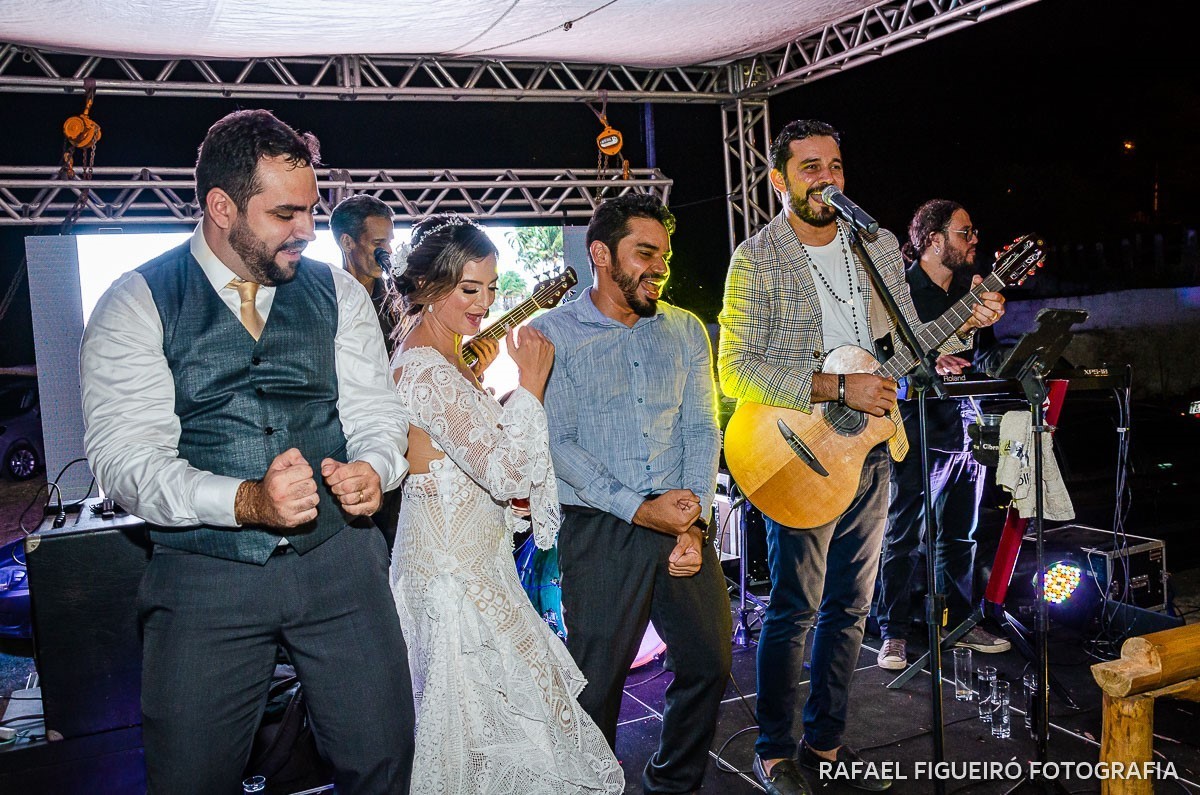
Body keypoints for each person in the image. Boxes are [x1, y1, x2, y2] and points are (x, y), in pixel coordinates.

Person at [80, 109, 415, 794]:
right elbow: (124, 460)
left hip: (340, 560)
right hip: (205, 576)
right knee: (189, 776)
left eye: (311, 210)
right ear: (222, 207)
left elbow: (378, 415)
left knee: (382, 759)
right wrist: (245, 500)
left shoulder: (338, 293)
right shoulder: (135, 302)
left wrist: (374, 469)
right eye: (285, 213)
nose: (308, 231)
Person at [718, 120, 1006, 795]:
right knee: (796, 608)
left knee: (851, 607)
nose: (827, 178)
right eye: (810, 165)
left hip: (871, 448)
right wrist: (834, 386)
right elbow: (734, 368)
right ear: (779, 180)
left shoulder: (874, 244)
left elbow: (907, 343)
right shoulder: (756, 258)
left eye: (837, 165)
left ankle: (825, 740)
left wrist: (963, 316)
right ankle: (774, 750)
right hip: (795, 450)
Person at [387, 213, 623, 795]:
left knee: (511, 742)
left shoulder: (445, 360)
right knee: (485, 743)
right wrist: (532, 383)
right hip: (454, 586)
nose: (486, 303)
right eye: (471, 289)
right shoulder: (423, 368)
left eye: (492, 288)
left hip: (474, 570)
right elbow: (507, 471)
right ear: (426, 288)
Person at [531, 193, 732, 795]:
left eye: (663, 257)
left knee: (709, 663)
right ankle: (593, 785)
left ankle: (673, 781)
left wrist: (691, 520)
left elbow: (702, 427)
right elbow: (555, 442)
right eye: (644, 254)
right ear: (600, 253)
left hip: (678, 517)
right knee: (598, 680)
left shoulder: (686, 330)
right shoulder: (550, 334)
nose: (659, 268)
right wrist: (639, 509)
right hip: (599, 524)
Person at [874, 200, 1012, 671]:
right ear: (933, 240)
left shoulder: (971, 295)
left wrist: (1015, 363)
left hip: (965, 425)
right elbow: (879, 356)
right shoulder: (899, 291)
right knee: (904, 534)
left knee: (961, 535)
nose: (974, 239)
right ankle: (892, 632)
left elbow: (983, 360)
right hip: (914, 428)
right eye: (964, 232)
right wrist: (927, 362)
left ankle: (961, 622)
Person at [330, 193, 402, 355]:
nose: (388, 250)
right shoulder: (328, 301)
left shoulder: (396, 301)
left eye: (389, 242)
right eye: (378, 243)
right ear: (347, 243)